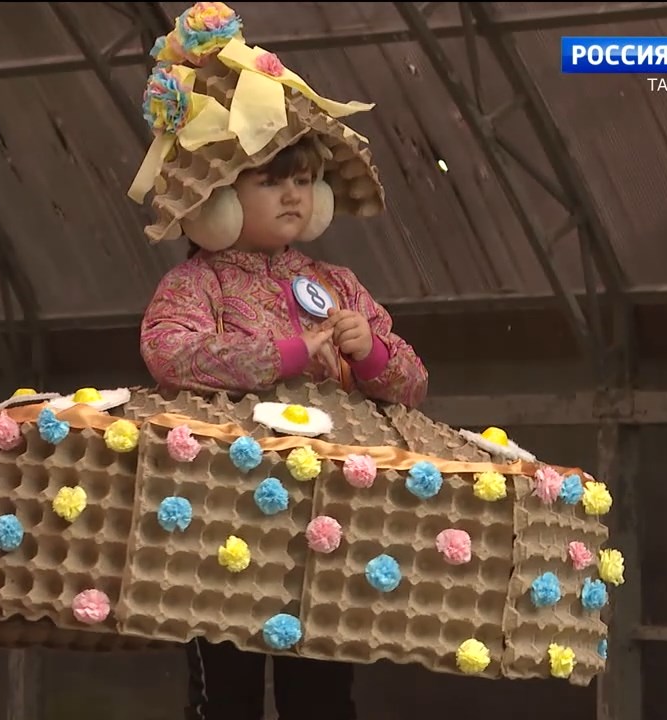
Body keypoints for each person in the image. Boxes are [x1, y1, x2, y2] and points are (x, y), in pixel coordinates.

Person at [128, 5, 429, 719]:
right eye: (269, 180)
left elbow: (414, 383)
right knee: (226, 690)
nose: (293, 194)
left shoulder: (339, 284)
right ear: (217, 197)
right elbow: (170, 353)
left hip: (328, 520)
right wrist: (286, 353)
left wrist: (369, 351)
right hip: (222, 518)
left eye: (303, 179)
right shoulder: (194, 284)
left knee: (323, 693)